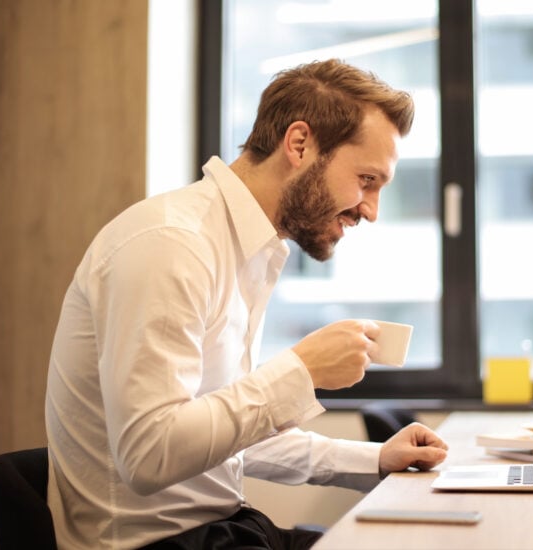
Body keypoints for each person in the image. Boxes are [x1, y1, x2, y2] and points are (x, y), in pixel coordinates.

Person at [44, 58, 448, 550]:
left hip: (221, 531)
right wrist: (299, 371)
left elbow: (222, 437)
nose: (371, 210)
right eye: (366, 180)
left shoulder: (249, 249)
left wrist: (374, 460)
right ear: (299, 145)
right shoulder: (172, 244)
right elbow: (149, 456)